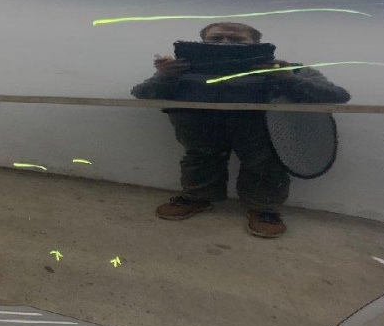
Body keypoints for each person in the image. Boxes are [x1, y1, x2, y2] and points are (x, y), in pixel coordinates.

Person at [130, 22, 349, 238]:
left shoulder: (287, 68)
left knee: (265, 163)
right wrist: (166, 75)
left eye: (237, 39)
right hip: (198, 126)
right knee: (199, 158)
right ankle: (197, 197)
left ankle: (264, 209)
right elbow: (142, 93)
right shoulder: (180, 68)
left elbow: (337, 95)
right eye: (216, 38)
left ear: (256, 44)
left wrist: (288, 78)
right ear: (202, 42)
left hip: (260, 126)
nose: (225, 43)